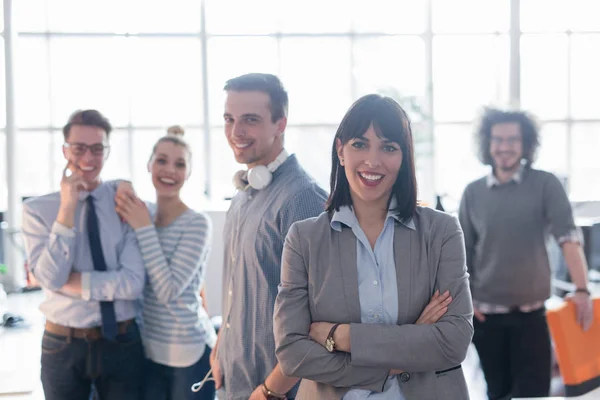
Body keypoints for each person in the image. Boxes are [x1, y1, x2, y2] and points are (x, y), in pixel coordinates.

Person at [273, 94, 474, 400]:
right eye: (359, 144)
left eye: (388, 147)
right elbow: (292, 353)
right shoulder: (304, 239)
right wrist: (405, 347)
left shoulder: (442, 232)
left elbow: (454, 341)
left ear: (404, 157)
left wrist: (342, 336)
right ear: (341, 151)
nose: (373, 160)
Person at [458, 107, 594, 400]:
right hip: (486, 318)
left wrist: (582, 289)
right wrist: (465, 300)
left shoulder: (546, 184)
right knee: (497, 393)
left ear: (525, 143)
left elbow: (569, 238)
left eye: (512, 139)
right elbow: (461, 255)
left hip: (532, 316)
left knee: (534, 394)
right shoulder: (472, 193)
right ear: (487, 143)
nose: (505, 147)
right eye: (498, 139)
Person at [209, 73, 328, 400]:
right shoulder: (243, 193)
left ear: (280, 124)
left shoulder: (303, 198)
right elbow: (238, 290)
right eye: (229, 119)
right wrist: (220, 347)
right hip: (233, 384)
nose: (236, 132)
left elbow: (319, 318)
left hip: (273, 393)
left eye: (250, 120)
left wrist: (269, 391)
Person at [21, 109, 146, 400]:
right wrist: (66, 210)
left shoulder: (123, 201)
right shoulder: (38, 211)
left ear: (107, 151)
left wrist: (75, 284)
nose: (88, 158)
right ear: (65, 150)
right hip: (62, 343)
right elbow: (51, 277)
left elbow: (133, 283)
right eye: (79, 148)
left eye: (97, 148)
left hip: (122, 341)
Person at [113, 135, 217, 400]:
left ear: (189, 172)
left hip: (188, 354)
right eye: (161, 160)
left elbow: (168, 290)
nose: (170, 170)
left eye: (180, 164)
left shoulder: (197, 224)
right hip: (147, 351)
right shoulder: (142, 215)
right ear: (149, 165)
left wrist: (143, 228)